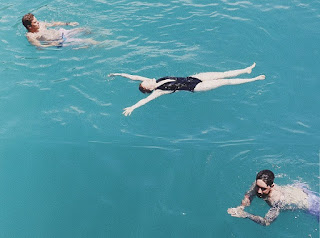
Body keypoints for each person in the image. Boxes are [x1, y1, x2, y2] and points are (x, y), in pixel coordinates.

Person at [108, 63, 265, 116]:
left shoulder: (155, 80)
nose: (146, 80)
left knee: (222, 73)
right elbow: (145, 100)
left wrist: (118, 74)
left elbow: (134, 76)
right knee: (226, 82)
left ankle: (247, 70)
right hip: (195, 87)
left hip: (192, 78)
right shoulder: (159, 90)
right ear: (148, 88)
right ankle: (253, 79)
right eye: (145, 83)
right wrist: (132, 107)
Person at [227, 170, 320, 226]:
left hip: (311, 205)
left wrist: (246, 215)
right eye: (257, 187)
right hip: (299, 190)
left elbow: (267, 222)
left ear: (272, 186)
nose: (259, 191)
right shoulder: (258, 184)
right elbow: (248, 195)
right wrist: (241, 207)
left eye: (263, 189)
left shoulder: (277, 200)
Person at [22, 13, 98, 48]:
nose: (38, 22)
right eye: (35, 22)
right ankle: (102, 44)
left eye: (37, 20)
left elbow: (53, 24)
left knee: (85, 29)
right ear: (29, 26)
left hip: (62, 32)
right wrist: (52, 44)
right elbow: (39, 47)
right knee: (88, 41)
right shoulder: (31, 36)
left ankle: (99, 34)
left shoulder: (41, 24)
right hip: (60, 41)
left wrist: (68, 23)